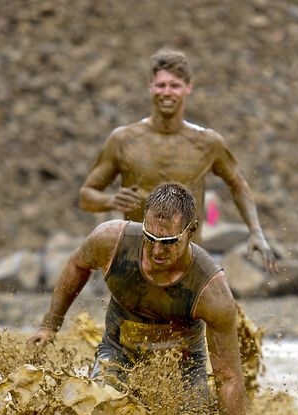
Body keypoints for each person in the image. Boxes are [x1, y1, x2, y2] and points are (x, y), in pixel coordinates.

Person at [27, 182, 245, 415]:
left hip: (183, 365)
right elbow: (78, 264)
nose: (157, 251)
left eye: (168, 241)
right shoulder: (111, 241)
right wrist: (50, 324)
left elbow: (228, 378)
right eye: (149, 238)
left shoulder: (211, 291)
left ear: (191, 230)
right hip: (119, 350)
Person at [78, 46, 277, 273]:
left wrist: (256, 232)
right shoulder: (123, 139)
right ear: (150, 86)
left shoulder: (207, 142)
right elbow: (85, 197)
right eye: (161, 85)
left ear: (188, 87)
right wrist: (110, 201)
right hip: (136, 262)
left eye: (174, 86)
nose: (166, 92)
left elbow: (238, 185)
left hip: (186, 265)